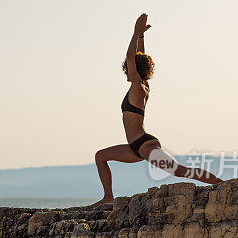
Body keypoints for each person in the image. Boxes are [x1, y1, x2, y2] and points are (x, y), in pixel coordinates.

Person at [89, 13, 223, 208]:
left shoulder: (138, 87)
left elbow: (131, 57)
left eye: (128, 68)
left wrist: (135, 33)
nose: (127, 71)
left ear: (133, 70)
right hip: (135, 147)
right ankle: (108, 197)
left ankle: (222, 185)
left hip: (144, 145)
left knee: (178, 171)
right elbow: (139, 57)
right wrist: (142, 37)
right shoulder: (143, 84)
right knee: (100, 156)